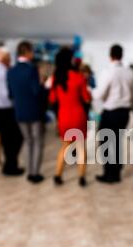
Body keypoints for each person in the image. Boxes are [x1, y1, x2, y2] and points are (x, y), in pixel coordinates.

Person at [49, 48, 91, 187]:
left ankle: (58, 175)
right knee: (80, 147)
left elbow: (52, 98)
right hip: (78, 115)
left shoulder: (56, 77)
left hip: (64, 116)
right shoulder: (79, 77)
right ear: (69, 60)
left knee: (65, 147)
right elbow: (86, 99)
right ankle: (81, 178)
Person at [94, 44, 133, 184]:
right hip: (125, 113)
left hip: (111, 112)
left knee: (105, 142)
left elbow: (99, 94)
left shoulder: (108, 72)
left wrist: (90, 91)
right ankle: (116, 171)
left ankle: (109, 174)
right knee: (117, 142)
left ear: (110, 55)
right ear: (121, 55)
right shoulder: (129, 72)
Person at [7, 41, 45, 184]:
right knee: (37, 142)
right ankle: (35, 173)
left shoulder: (11, 70)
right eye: (32, 51)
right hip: (34, 111)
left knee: (27, 141)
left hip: (20, 111)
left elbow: (10, 93)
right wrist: (42, 83)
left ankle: (29, 171)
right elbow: (36, 91)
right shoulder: (32, 70)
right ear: (28, 52)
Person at [0, 47, 24, 176]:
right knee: (15, 139)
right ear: (4, 58)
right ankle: (10, 166)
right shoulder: (4, 73)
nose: (10, 60)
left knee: (6, 139)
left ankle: (9, 164)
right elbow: (7, 93)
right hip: (5, 110)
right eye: (8, 57)